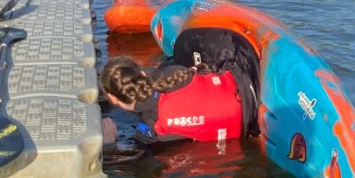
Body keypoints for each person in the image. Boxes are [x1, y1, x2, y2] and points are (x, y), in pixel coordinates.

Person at [100, 52, 256, 146]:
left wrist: (109, 144)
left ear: (113, 98)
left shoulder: (149, 132)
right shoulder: (171, 73)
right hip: (246, 81)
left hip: (248, 125)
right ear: (142, 74)